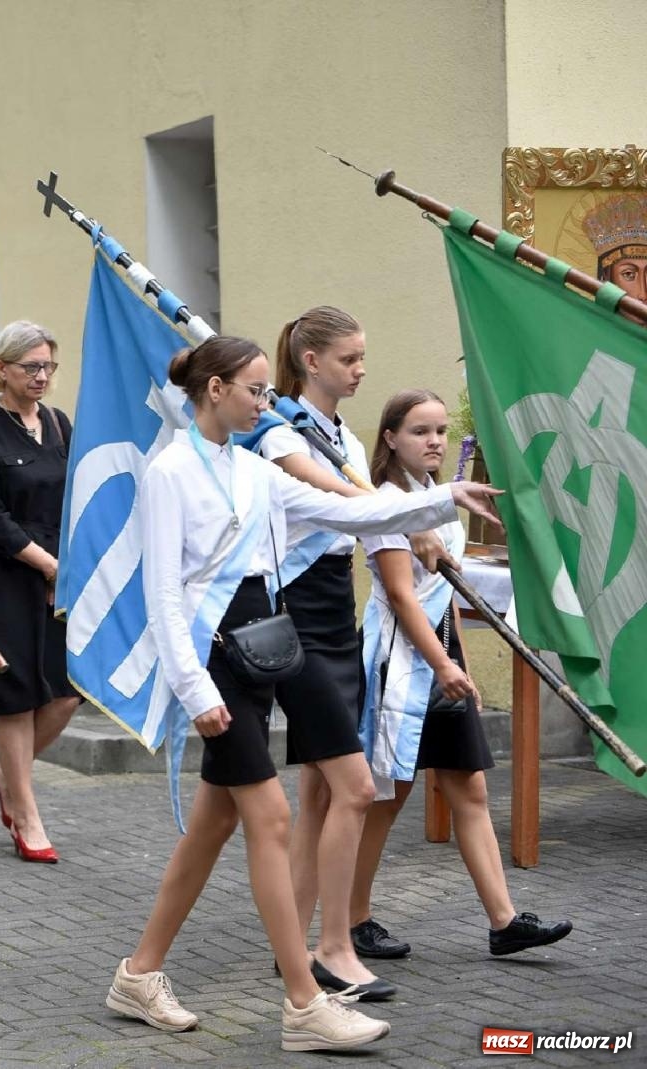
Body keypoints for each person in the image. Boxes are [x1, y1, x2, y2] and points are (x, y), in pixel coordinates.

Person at [102, 335, 504, 1052]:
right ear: (215, 388)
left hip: (273, 640)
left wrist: (442, 496)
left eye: (267, 390)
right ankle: (304, 999)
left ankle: (140, 972)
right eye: (255, 389)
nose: (266, 401)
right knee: (271, 817)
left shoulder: (256, 471)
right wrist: (193, 689)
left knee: (246, 814)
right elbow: (161, 592)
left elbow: (349, 513)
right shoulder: (168, 471)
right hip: (218, 657)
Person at [351, 389, 573, 960]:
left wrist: (461, 664)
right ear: (391, 438)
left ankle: (504, 922)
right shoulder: (384, 503)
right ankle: (355, 920)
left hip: (442, 658)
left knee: (469, 788)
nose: (434, 441)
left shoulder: (434, 498)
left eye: (442, 431)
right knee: (389, 795)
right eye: (420, 431)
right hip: (402, 662)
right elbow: (401, 596)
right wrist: (444, 663)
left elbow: (444, 590)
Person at [252, 306, 397, 998]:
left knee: (319, 790)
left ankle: (298, 944)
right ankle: (336, 947)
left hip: (341, 613)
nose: (360, 369)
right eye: (349, 358)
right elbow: (333, 496)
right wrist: (399, 512)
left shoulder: (343, 434)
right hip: (299, 615)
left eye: (364, 356)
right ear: (310, 360)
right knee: (356, 787)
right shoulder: (280, 430)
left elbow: (361, 513)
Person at [0, 321, 79, 863]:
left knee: (68, 690)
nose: (41, 376)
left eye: (48, 366)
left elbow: (77, 494)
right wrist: (48, 566)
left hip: (59, 571)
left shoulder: (58, 423)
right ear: (1, 368)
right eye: (30, 367)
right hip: (4, 575)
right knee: (16, 696)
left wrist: (69, 567)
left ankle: (7, 773)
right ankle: (25, 815)